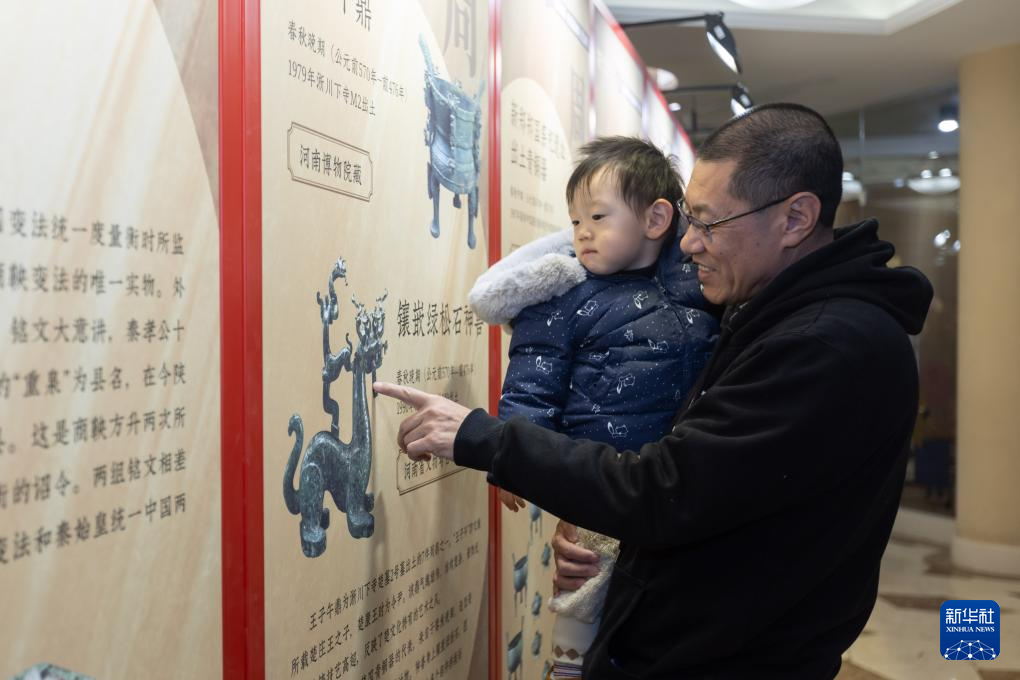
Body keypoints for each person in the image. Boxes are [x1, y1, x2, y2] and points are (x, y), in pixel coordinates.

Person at [375, 103, 933, 679]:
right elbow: (711, 497)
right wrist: (620, 557)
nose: (689, 244)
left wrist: (485, 439)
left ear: (795, 218)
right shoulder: (768, 315)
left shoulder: (822, 346)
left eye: (709, 223)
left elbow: (666, 491)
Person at [467, 137, 718, 677]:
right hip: (599, 477)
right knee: (584, 586)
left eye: (598, 217)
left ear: (656, 220)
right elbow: (532, 380)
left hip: (678, 483)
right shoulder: (564, 296)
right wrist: (512, 454)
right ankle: (570, 665)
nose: (582, 233)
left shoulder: (700, 285)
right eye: (576, 221)